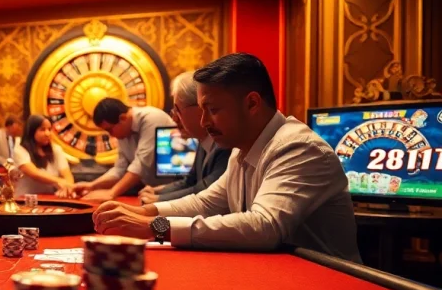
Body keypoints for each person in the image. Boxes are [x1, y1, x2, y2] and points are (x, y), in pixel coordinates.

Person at [92, 53, 361, 263]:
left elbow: (263, 227)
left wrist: (155, 226)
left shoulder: (299, 147)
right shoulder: (241, 149)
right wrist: (139, 212)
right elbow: (207, 202)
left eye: (213, 110)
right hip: (287, 276)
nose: (204, 121)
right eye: (201, 110)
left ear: (252, 103)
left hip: (329, 284)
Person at [138, 71, 230, 204]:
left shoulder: (225, 143)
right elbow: (189, 182)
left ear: (200, 107)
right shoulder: (202, 140)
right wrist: (158, 191)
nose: (174, 118)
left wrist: (159, 200)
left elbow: (206, 190)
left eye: (177, 110)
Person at [72, 98, 175, 202]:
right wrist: (92, 185)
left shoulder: (152, 118)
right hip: (157, 192)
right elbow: (119, 170)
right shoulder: (124, 130)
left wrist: (111, 193)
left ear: (123, 118)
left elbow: (141, 164)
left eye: (109, 129)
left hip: (180, 190)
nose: (110, 134)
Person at [12, 114, 75, 197]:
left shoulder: (56, 149)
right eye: (42, 129)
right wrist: (59, 181)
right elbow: (34, 173)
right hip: (25, 199)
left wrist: (68, 187)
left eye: (49, 129)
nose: (47, 133)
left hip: (50, 199)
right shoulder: (19, 149)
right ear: (31, 131)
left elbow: (67, 174)